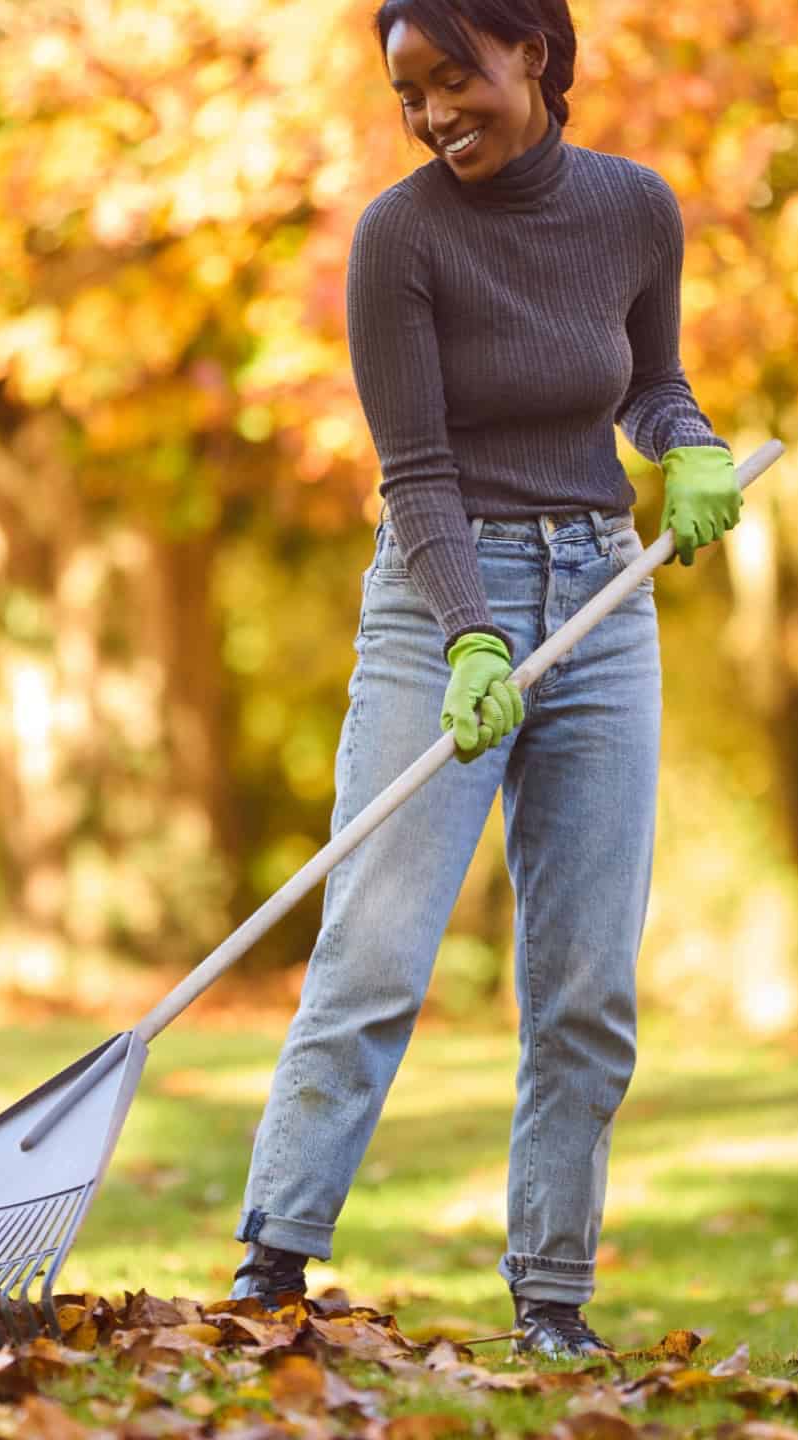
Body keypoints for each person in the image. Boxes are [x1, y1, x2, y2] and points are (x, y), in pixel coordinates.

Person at [226, 0, 744, 1360]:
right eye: (410, 91)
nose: (433, 111)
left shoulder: (636, 211)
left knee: (585, 983)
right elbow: (417, 470)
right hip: (436, 597)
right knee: (379, 949)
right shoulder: (402, 240)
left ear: (535, 54)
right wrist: (468, 637)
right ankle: (272, 1267)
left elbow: (649, 385)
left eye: (454, 76)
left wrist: (688, 446)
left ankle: (552, 1299)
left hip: (601, 600)